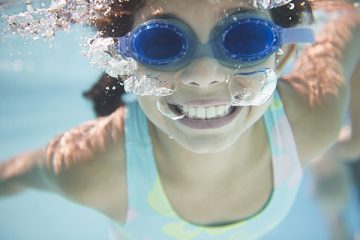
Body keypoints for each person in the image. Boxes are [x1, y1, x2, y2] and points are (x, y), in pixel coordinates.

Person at [1, 0, 360, 239]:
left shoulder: (313, 116)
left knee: (331, 183)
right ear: (123, 64)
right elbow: (13, 174)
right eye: (160, 44)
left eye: (246, 38)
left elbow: (351, 18)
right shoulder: (91, 169)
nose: (203, 74)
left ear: (280, 58)